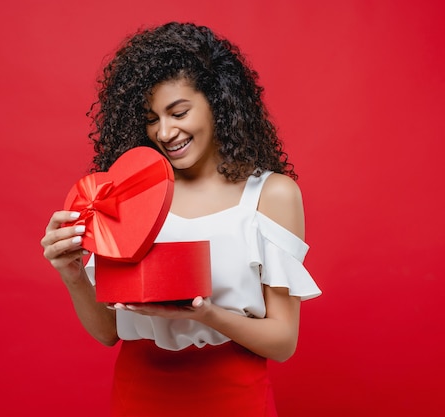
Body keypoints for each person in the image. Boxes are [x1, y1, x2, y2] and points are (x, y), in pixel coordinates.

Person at [41, 21, 321, 417]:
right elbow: (108, 332)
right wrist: (71, 273)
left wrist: (205, 314)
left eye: (179, 112)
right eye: (152, 118)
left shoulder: (271, 195)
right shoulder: (124, 193)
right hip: (139, 394)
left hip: (232, 397)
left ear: (218, 102)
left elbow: (283, 341)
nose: (165, 131)